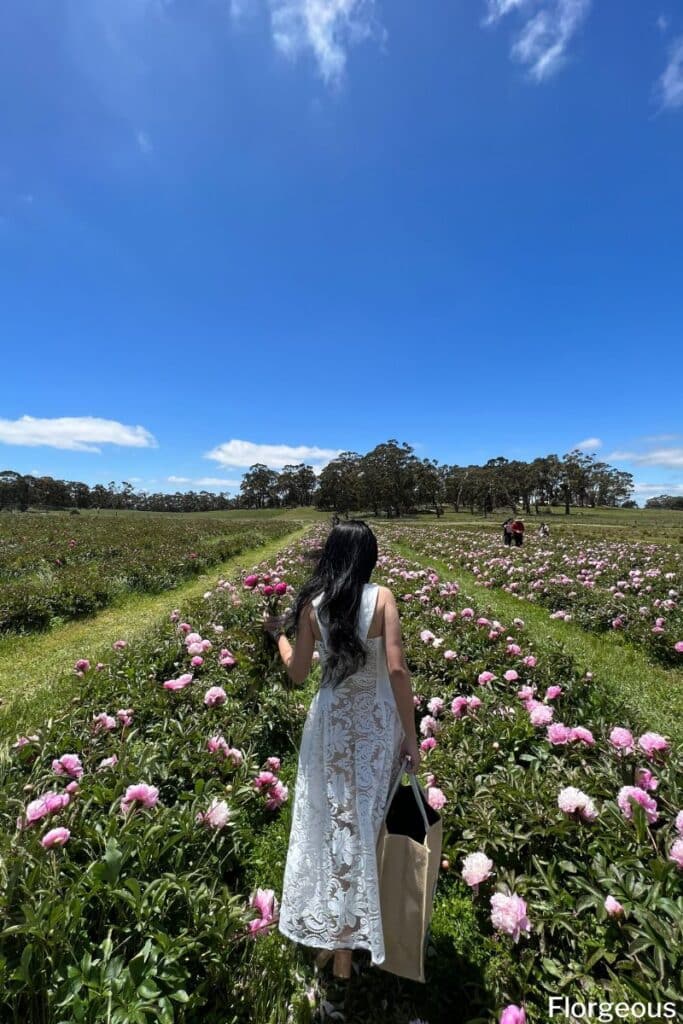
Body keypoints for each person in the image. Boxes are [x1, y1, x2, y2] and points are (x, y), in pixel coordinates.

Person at [263, 520, 419, 980]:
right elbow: (396, 671)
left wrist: (278, 636)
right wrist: (411, 735)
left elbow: (296, 673)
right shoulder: (383, 598)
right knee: (367, 822)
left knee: (331, 821)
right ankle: (349, 942)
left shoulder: (314, 606)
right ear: (368, 558)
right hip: (374, 722)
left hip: (330, 723)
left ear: (330, 555)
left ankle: (342, 941)